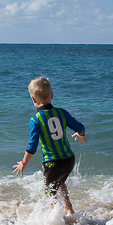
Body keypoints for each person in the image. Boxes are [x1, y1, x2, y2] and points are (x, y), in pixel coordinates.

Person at [13, 77, 86, 216]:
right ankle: (69, 209)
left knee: (50, 194)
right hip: (69, 159)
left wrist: (23, 163)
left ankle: (54, 220)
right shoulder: (62, 113)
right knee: (60, 183)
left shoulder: (35, 120)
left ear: (33, 100)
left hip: (52, 163)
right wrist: (80, 134)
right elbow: (80, 127)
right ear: (52, 95)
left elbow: (32, 146)